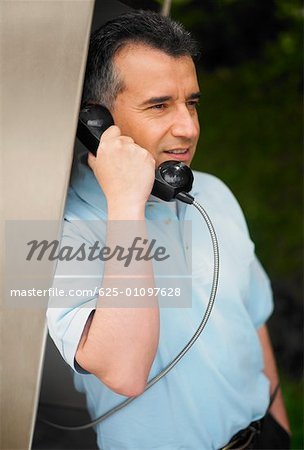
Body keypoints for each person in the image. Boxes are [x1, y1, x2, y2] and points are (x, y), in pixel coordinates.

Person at [47, 10, 291, 450]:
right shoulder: (59, 230)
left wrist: (277, 423)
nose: (188, 128)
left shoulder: (212, 194)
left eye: (191, 103)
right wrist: (126, 205)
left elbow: (252, 321)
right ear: (96, 121)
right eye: (159, 105)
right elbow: (124, 372)